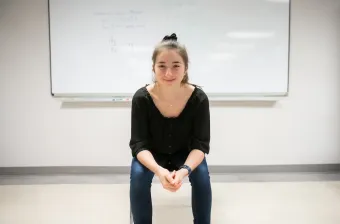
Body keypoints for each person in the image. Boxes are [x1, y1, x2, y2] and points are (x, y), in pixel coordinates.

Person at [129, 33, 212, 224]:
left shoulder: (199, 99)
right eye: (162, 66)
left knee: (201, 175)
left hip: (185, 153)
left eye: (176, 66)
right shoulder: (141, 98)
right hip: (152, 153)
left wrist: (183, 171)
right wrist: (159, 171)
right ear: (153, 68)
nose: (168, 73)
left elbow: (200, 145)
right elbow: (139, 145)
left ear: (185, 68)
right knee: (139, 175)